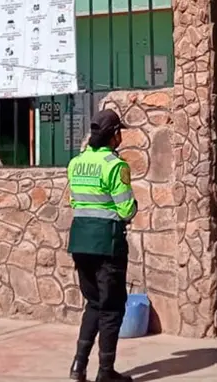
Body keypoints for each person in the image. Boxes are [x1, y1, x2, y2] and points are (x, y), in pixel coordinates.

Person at [67, 109, 137, 382]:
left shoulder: (76, 163)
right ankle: (105, 372)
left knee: (93, 303)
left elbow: (75, 202)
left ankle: (78, 366)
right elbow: (126, 209)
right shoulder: (115, 166)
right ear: (113, 135)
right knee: (111, 308)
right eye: (120, 131)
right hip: (107, 244)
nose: (121, 137)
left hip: (81, 240)